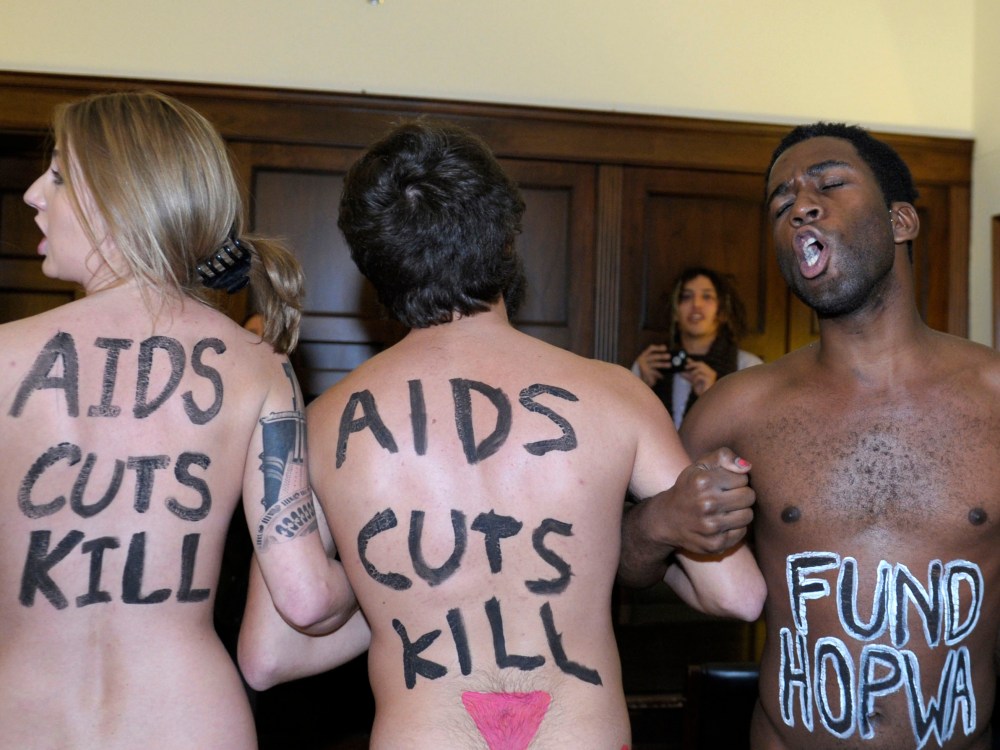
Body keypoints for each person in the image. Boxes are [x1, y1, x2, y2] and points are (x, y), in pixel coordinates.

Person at [238, 119, 765, 749]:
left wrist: (397, 606)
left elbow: (269, 658)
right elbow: (739, 594)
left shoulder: (321, 427)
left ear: (371, 264)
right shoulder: (613, 396)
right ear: (507, 238)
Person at [622, 121, 1000, 749]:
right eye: (781, 202)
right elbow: (630, 564)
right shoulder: (736, 409)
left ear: (901, 221)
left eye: (828, 183)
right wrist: (660, 520)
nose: (800, 205)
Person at [0, 90, 356, 750]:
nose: (30, 195)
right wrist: (392, 589)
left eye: (55, 174)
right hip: (189, 722)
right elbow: (305, 600)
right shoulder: (258, 367)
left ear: (117, 194)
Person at [633, 267, 763, 429]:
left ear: (721, 312)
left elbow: (755, 432)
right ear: (674, 312)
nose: (696, 304)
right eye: (686, 297)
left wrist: (713, 399)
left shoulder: (748, 368)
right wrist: (640, 389)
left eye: (707, 296)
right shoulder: (650, 364)